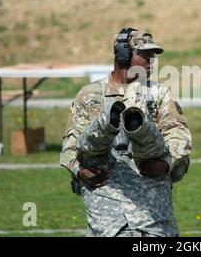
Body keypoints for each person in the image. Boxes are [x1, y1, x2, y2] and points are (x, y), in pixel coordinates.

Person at [60, 27, 192, 237]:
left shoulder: (159, 94)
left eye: (153, 56)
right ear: (123, 54)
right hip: (107, 215)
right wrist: (80, 171)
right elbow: (70, 145)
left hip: (152, 213)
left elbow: (179, 135)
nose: (151, 62)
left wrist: (167, 163)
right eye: (145, 55)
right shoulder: (89, 95)